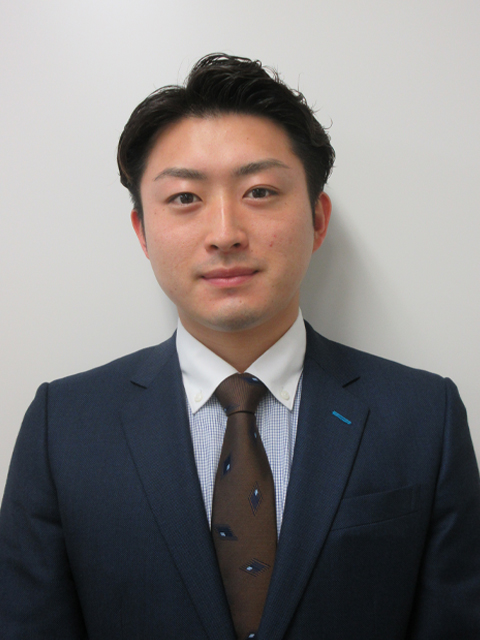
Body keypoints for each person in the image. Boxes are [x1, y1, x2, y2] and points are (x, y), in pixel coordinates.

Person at [0, 53, 479, 640]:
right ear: (142, 232)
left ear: (317, 219)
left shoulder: (424, 417)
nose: (225, 233)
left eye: (259, 191)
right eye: (185, 198)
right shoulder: (64, 426)